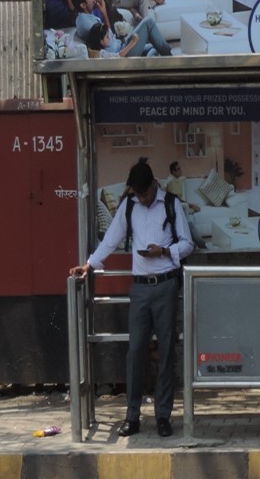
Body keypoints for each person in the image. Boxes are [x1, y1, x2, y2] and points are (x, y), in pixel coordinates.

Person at [70, 158, 193, 438]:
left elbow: (187, 244)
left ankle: (163, 416)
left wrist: (163, 251)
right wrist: (89, 264)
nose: (142, 198)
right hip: (139, 289)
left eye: (145, 193)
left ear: (153, 185)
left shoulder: (171, 204)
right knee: (135, 351)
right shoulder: (128, 206)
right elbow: (111, 239)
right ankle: (133, 415)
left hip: (165, 285)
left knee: (165, 353)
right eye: (137, 194)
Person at [74, 12, 172, 58]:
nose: (110, 37)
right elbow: (119, 56)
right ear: (100, 41)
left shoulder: (104, 40)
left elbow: (108, 33)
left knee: (154, 47)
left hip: (124, 46)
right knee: (148, 21)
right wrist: (133, 42)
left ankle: (147, 63)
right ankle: (170, 58)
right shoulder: (103, 53)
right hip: (126, 52)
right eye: (107, 37)